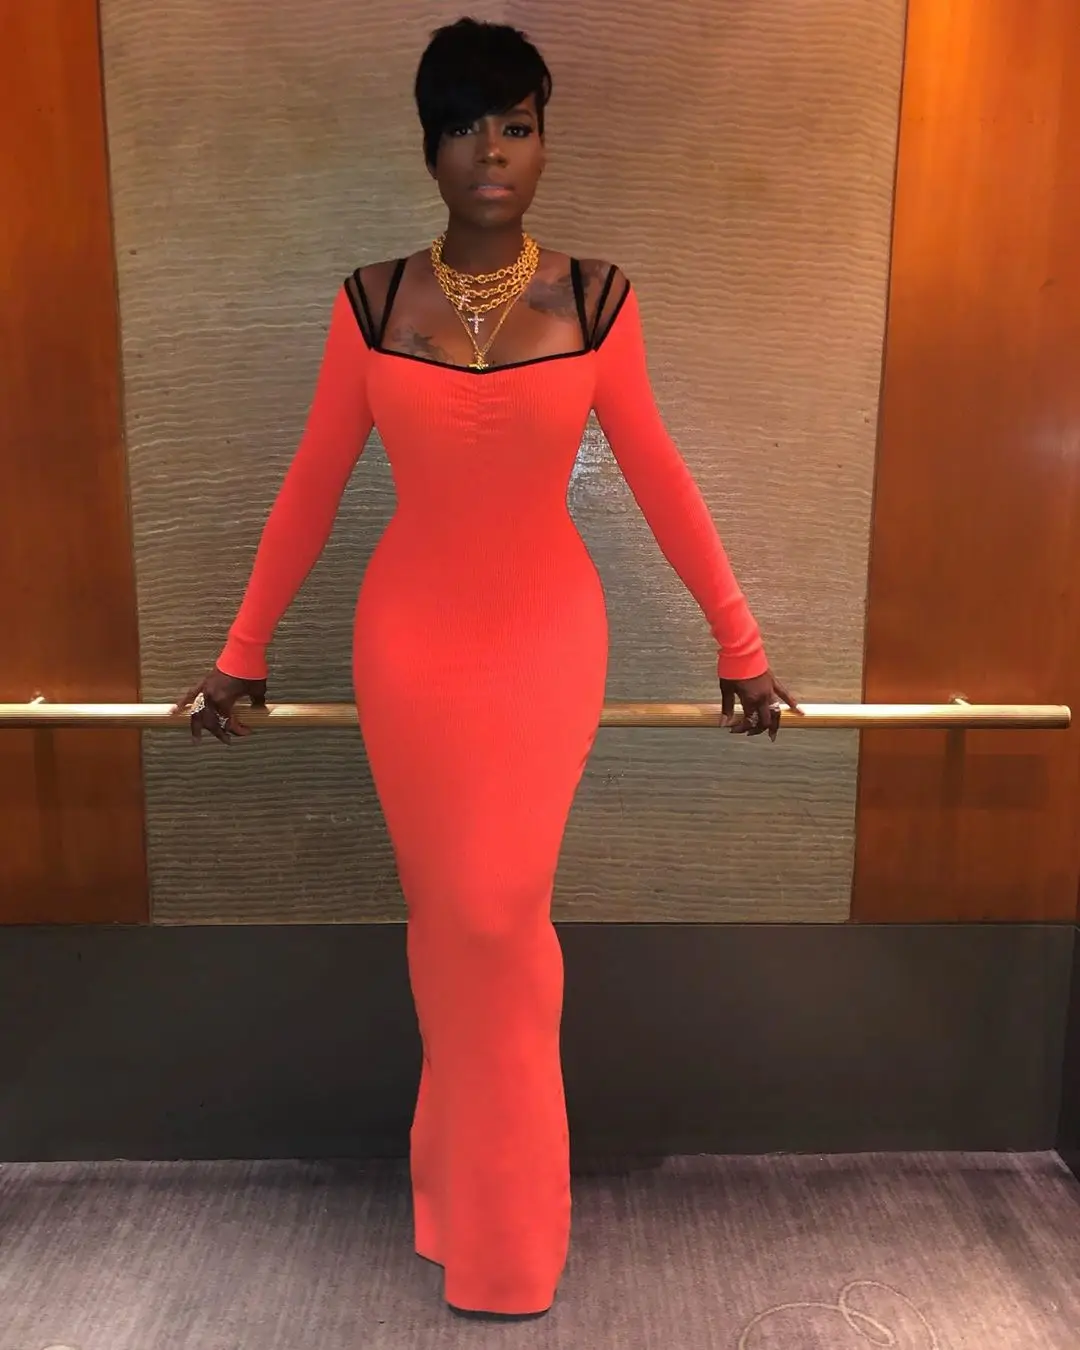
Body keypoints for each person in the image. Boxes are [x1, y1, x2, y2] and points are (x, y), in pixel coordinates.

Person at [175, 16, 798, 1321]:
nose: (493, 152)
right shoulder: (369, 301)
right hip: (409, 644)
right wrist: (241, 650)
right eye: (465, 127)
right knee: (449, 924)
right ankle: (463, 1206)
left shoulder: (600, 298)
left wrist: (740, 643)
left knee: (498, 914)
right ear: (429, 149)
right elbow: (311, 483)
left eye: (516, 125)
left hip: (547, 641)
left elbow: (660, 474)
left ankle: (506, 1238)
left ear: (544, 143)